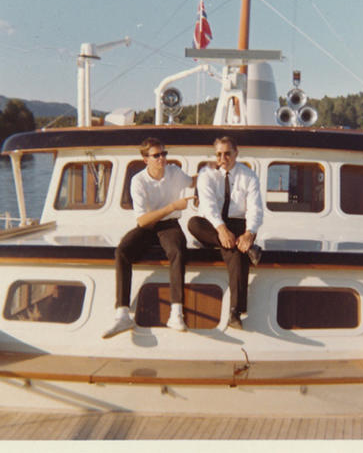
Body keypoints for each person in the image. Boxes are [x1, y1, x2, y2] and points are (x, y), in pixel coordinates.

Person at [103, 138, 196, 338]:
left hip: (170, 225)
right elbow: (143, 221)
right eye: (156, 155)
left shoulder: (174, 172)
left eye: (164, 153)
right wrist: (173, 206)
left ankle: (176, 313)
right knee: (122, 251)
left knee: (178, 251)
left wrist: (213, 171)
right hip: (148, 226)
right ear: (145, 159)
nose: (162, 158)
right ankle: (122, 314)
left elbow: (193, 181)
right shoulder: (138, 180)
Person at [188, 136, 263, 330]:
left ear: (236, 153)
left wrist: (249, 234)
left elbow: (255, 209)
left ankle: (235, 312)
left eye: (227, 153)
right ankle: (247, 248)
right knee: (193, 223)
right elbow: (208, 206)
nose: (223, 158)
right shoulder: (206, 174)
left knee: (235, 254)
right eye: (219, 154)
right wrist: (221, 230)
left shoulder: (249, 176)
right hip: (212, 225)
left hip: (238, 225)